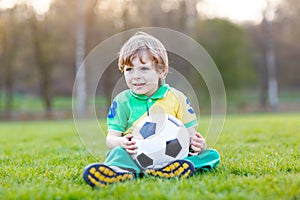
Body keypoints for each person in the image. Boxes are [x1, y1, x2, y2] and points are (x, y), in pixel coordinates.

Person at [83, 32, 220, 187]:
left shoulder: (177, 98)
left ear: (161, 71)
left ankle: (167, 168)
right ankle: (119, 171)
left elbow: (191, 137)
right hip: (134, 156)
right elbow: (111, 139)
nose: (136, 76)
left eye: (144, 69)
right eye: (129, 69)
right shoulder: (122, 101)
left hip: (171, 157)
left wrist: (199, 145)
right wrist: (121, 142)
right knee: (116, 153)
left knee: (211, 155)